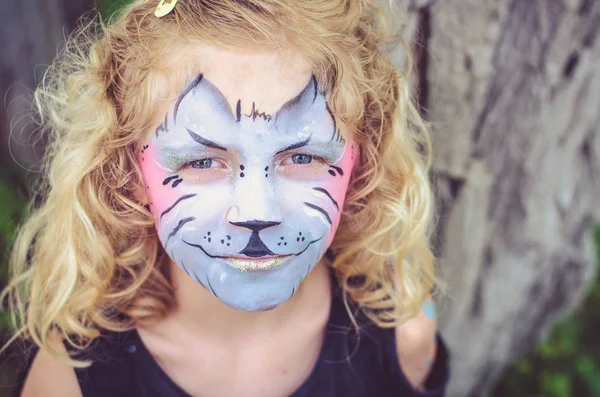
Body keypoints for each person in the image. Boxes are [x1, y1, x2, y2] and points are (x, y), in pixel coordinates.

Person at [3, 0, 450, 396]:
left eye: (302, 156)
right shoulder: (76, 372)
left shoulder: (404, 338)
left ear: (363, 163)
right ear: (127, 172)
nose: (256, 213)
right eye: (200, 162)